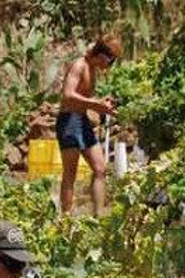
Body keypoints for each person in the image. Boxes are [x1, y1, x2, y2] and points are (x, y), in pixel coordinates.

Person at [57, 35, 121, 218]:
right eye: (111, 61)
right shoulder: (79, 65)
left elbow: (87, 100)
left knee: (100, 169)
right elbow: (67, 95)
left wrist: (105, 106)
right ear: (102, 55)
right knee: (71, 172)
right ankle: (66, 220)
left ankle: (98, 216)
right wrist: (95, 104)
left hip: (82, 120)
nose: (110, 66)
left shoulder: (92, 69)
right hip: (68, 121)